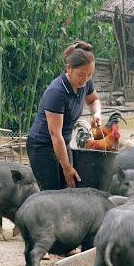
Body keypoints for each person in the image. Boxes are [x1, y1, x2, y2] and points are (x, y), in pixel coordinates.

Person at [26, 41, 102, 190]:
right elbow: (55, 135)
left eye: (89, 75)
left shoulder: (85, 83)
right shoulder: (56, 92)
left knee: (68, 188)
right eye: (81, 75)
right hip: (42, 146)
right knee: (53, 193)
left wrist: (97, 113)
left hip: (62, 143)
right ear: (69, 69)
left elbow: (93, 100)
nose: (85, 79)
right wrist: (67, 169)